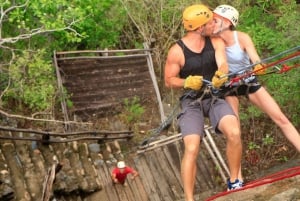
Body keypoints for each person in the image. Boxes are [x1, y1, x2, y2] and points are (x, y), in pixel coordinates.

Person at [212, 4, 300, 182]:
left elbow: (255, 57)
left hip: (248, 81)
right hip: (229, 87)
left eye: (215, 20)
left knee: (280, 118)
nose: (211, 23)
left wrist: (258, 66)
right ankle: (237, 178)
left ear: (227, 22)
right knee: (234, 131)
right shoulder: (214, 42)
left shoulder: (241, 38)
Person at [164, 4, 243, 200]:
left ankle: (235, 181)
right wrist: (187, 81)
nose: (213, 24)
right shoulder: (177, 51)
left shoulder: (215, 41)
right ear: (200, 28)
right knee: (192, 147)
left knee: (234, 131)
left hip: (215, 96)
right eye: (210, 22)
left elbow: (223, 62)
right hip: (192, 101)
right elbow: (169, 80)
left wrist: (222, 74)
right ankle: (189, 198)